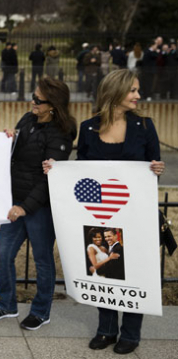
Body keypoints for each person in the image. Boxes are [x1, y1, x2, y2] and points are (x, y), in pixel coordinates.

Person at [44, 69, 165, 354]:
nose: (138, 95)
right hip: (101, 216)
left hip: (135, 215)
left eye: (138, 90)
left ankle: (131, 335)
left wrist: (156, 169)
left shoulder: (145, 126)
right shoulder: (88, 128)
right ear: (115, 92)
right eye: (133, 90)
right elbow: (81, 169)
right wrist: (56, 169)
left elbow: (151, 169)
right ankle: (106, 330)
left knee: (135, 273)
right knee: (106, 271)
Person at [0, 77, 77, 331]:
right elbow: (16, 155)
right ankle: (7, 305)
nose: (32, 102)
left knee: (43, 259)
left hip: (41, 207)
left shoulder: (62, 132)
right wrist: (10, 138)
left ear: (53, 105)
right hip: (16, 200)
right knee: (3, 253)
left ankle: (41, 311)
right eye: (33, 96)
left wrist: (26, 207)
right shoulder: (27, 119)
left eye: (38, 100)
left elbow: (51, 177)